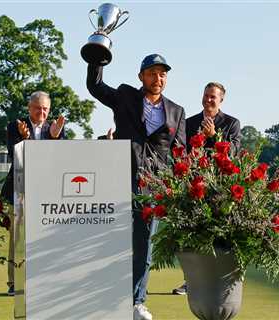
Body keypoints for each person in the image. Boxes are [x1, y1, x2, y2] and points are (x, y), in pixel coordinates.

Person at [87, 54, 186, 320]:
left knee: (143, 246)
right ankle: (100, 297)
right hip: (118, 178)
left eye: (163, 74)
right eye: (152, 73)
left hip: (153, 187)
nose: (158, 78)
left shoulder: (177, 111)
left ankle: (136, 302)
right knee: (108, 241)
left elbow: (181, 154)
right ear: (141, 76)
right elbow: (95, 87)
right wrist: (98, 51)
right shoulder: (125, 97)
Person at [172, 81, 240, 295]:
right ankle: (190, 281)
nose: (208, 99)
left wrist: (214, 137)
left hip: (220, 190)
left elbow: (234, 153)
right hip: (193, 187)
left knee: (218, 237)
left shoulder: (231, 123)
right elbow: (180, 152)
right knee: (189, 235)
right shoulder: (189, 122)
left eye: (213, 97)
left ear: (221, 100)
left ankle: (219, 282)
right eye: (206, 95)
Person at [0, 91, 65, 296]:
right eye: (38, 108)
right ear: (29, 108)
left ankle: (42, 280)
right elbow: (14, 156)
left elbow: (58, 159)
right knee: (17, 238)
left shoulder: (54, 129)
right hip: (18, 190)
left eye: (45, 108)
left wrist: (54, 139)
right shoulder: (15, 126)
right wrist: (25, 138)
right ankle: (14, 282)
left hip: (45, 192)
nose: (42, 112)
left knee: (44, 237)